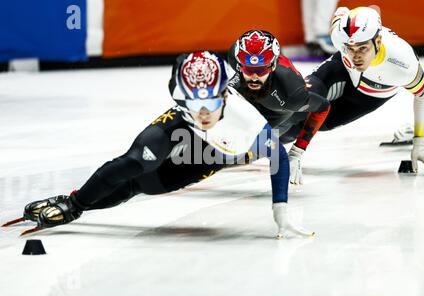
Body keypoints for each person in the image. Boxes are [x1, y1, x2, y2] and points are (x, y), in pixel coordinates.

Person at [15, 51, 311, 239]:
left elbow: (278, 157)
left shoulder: (247, 121)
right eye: (195, 103)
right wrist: (75, 204)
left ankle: (76, 204)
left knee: (147, 184)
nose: (204, 113)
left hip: (218, 148)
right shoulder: (186, 111)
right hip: (180, 127)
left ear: (224, 97)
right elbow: (128, 161)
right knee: (135, 162)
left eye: (210, 103)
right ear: (181, 99)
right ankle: (73, 203)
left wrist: (280, 210)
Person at [282, 6, 424, 177]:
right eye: (350, 48)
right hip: (341, 69)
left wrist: (419, 144)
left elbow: (423, 95)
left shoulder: (402, 64)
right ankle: (255, 141)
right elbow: (350, 11)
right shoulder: (339, 34)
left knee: (305, 127)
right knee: (297, 103)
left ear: (378, 41)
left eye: (362, 48)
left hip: (369, 95)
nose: (356, 56)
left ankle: (266, 148)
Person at [228, 29, 331, 184]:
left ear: (273, 65)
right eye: (248, 69)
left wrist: (297, 151)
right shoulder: (234, 56)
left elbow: (323, 106)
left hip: (279, 115)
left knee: (236, 151)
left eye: (261, 69)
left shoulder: (292, 94)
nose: (254, 76)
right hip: (255, 100)